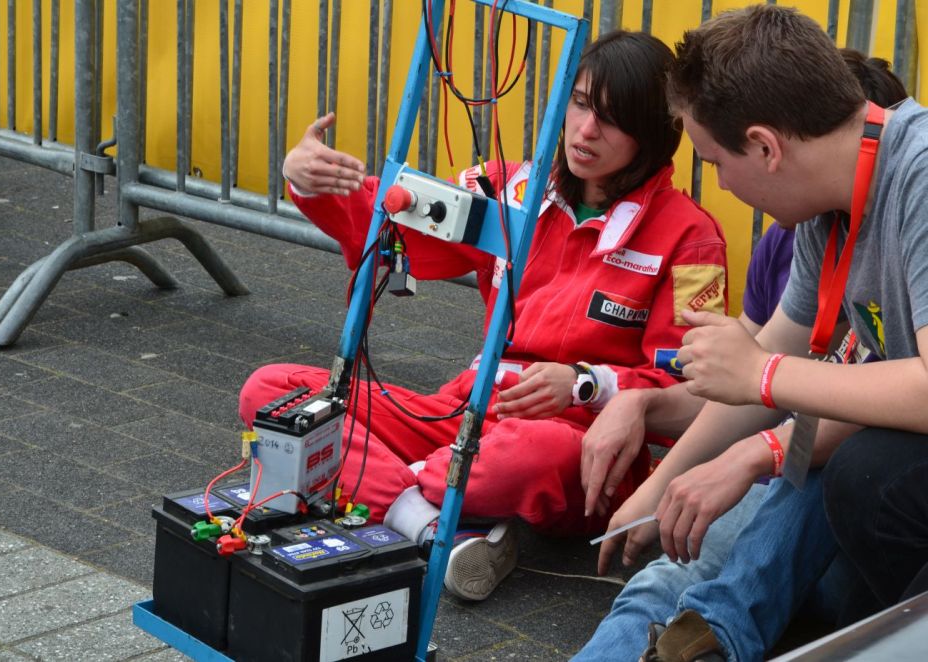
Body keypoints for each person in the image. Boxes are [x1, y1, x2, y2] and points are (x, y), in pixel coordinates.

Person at [239, 30, 728, 602]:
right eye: (579, 103)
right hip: (464, 413)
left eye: (612, 118)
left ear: (652, 134)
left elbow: (688, 387)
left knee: (525, 455)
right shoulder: (511, 186)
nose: (586, 130)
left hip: (573, 446)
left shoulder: (692, 238)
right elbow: (392, 214)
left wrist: (585, 385)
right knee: (273, 395)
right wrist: (307, 177)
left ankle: (388, 492)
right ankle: (429, 520)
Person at [593, 5, 928, 660]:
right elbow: (780, 351)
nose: (716, 181)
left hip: (882, 495)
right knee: (676, 576)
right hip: (863, 516)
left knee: (855, 467)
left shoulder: (918, 175)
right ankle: (710, 631)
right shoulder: (828, 206)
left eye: (715, 160)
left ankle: (725, 627)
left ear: (766, 146)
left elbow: (777, 373)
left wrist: (761, 429)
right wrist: (660, 488)